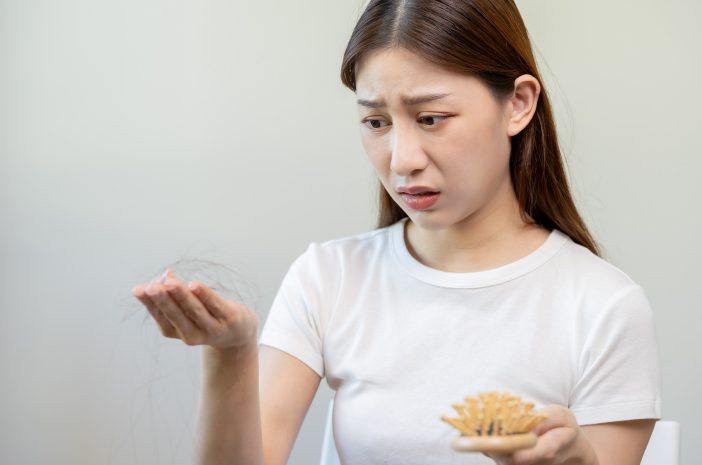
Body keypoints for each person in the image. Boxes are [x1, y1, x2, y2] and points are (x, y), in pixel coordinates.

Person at [132, 0, 662, 464]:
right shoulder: (330, 277)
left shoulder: (603, 306)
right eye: (376, 122)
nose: (401, 160)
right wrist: (232, 353)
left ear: (517, 104)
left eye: (431, 118)